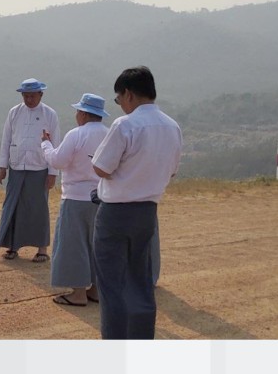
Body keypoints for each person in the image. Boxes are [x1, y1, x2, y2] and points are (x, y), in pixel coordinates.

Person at [91, 66, 182, 339]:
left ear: (128, 94)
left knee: (112, 284)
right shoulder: (172, 126)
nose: (120, 105)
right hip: (147, 212)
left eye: (119, 99)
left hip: (115, 213)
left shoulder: (125, 124)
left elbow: (101, 168)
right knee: (140, 279)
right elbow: (172, 171)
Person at [41, 93, 110, 306]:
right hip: (102, 197)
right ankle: (96, 290)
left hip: (76, 197)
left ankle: (78, 293)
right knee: (96, 244)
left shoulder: (76, 134)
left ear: (83, 114)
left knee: (74, 244)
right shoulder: (109, 134)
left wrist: (46, 144)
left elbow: (58, 160)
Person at [0, 78, 60, 262]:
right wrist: (2, 167)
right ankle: (12, 246)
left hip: (39, 167)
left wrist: (53, 173)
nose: (29, 100)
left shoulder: (50, 114)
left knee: (38, 208)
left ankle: (42, 249)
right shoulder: (14, 112)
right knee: (13, 206)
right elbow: (6, 140)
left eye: (32, 96)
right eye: (26, 96)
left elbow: (55, 143)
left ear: (41, 95)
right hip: (16, 166)